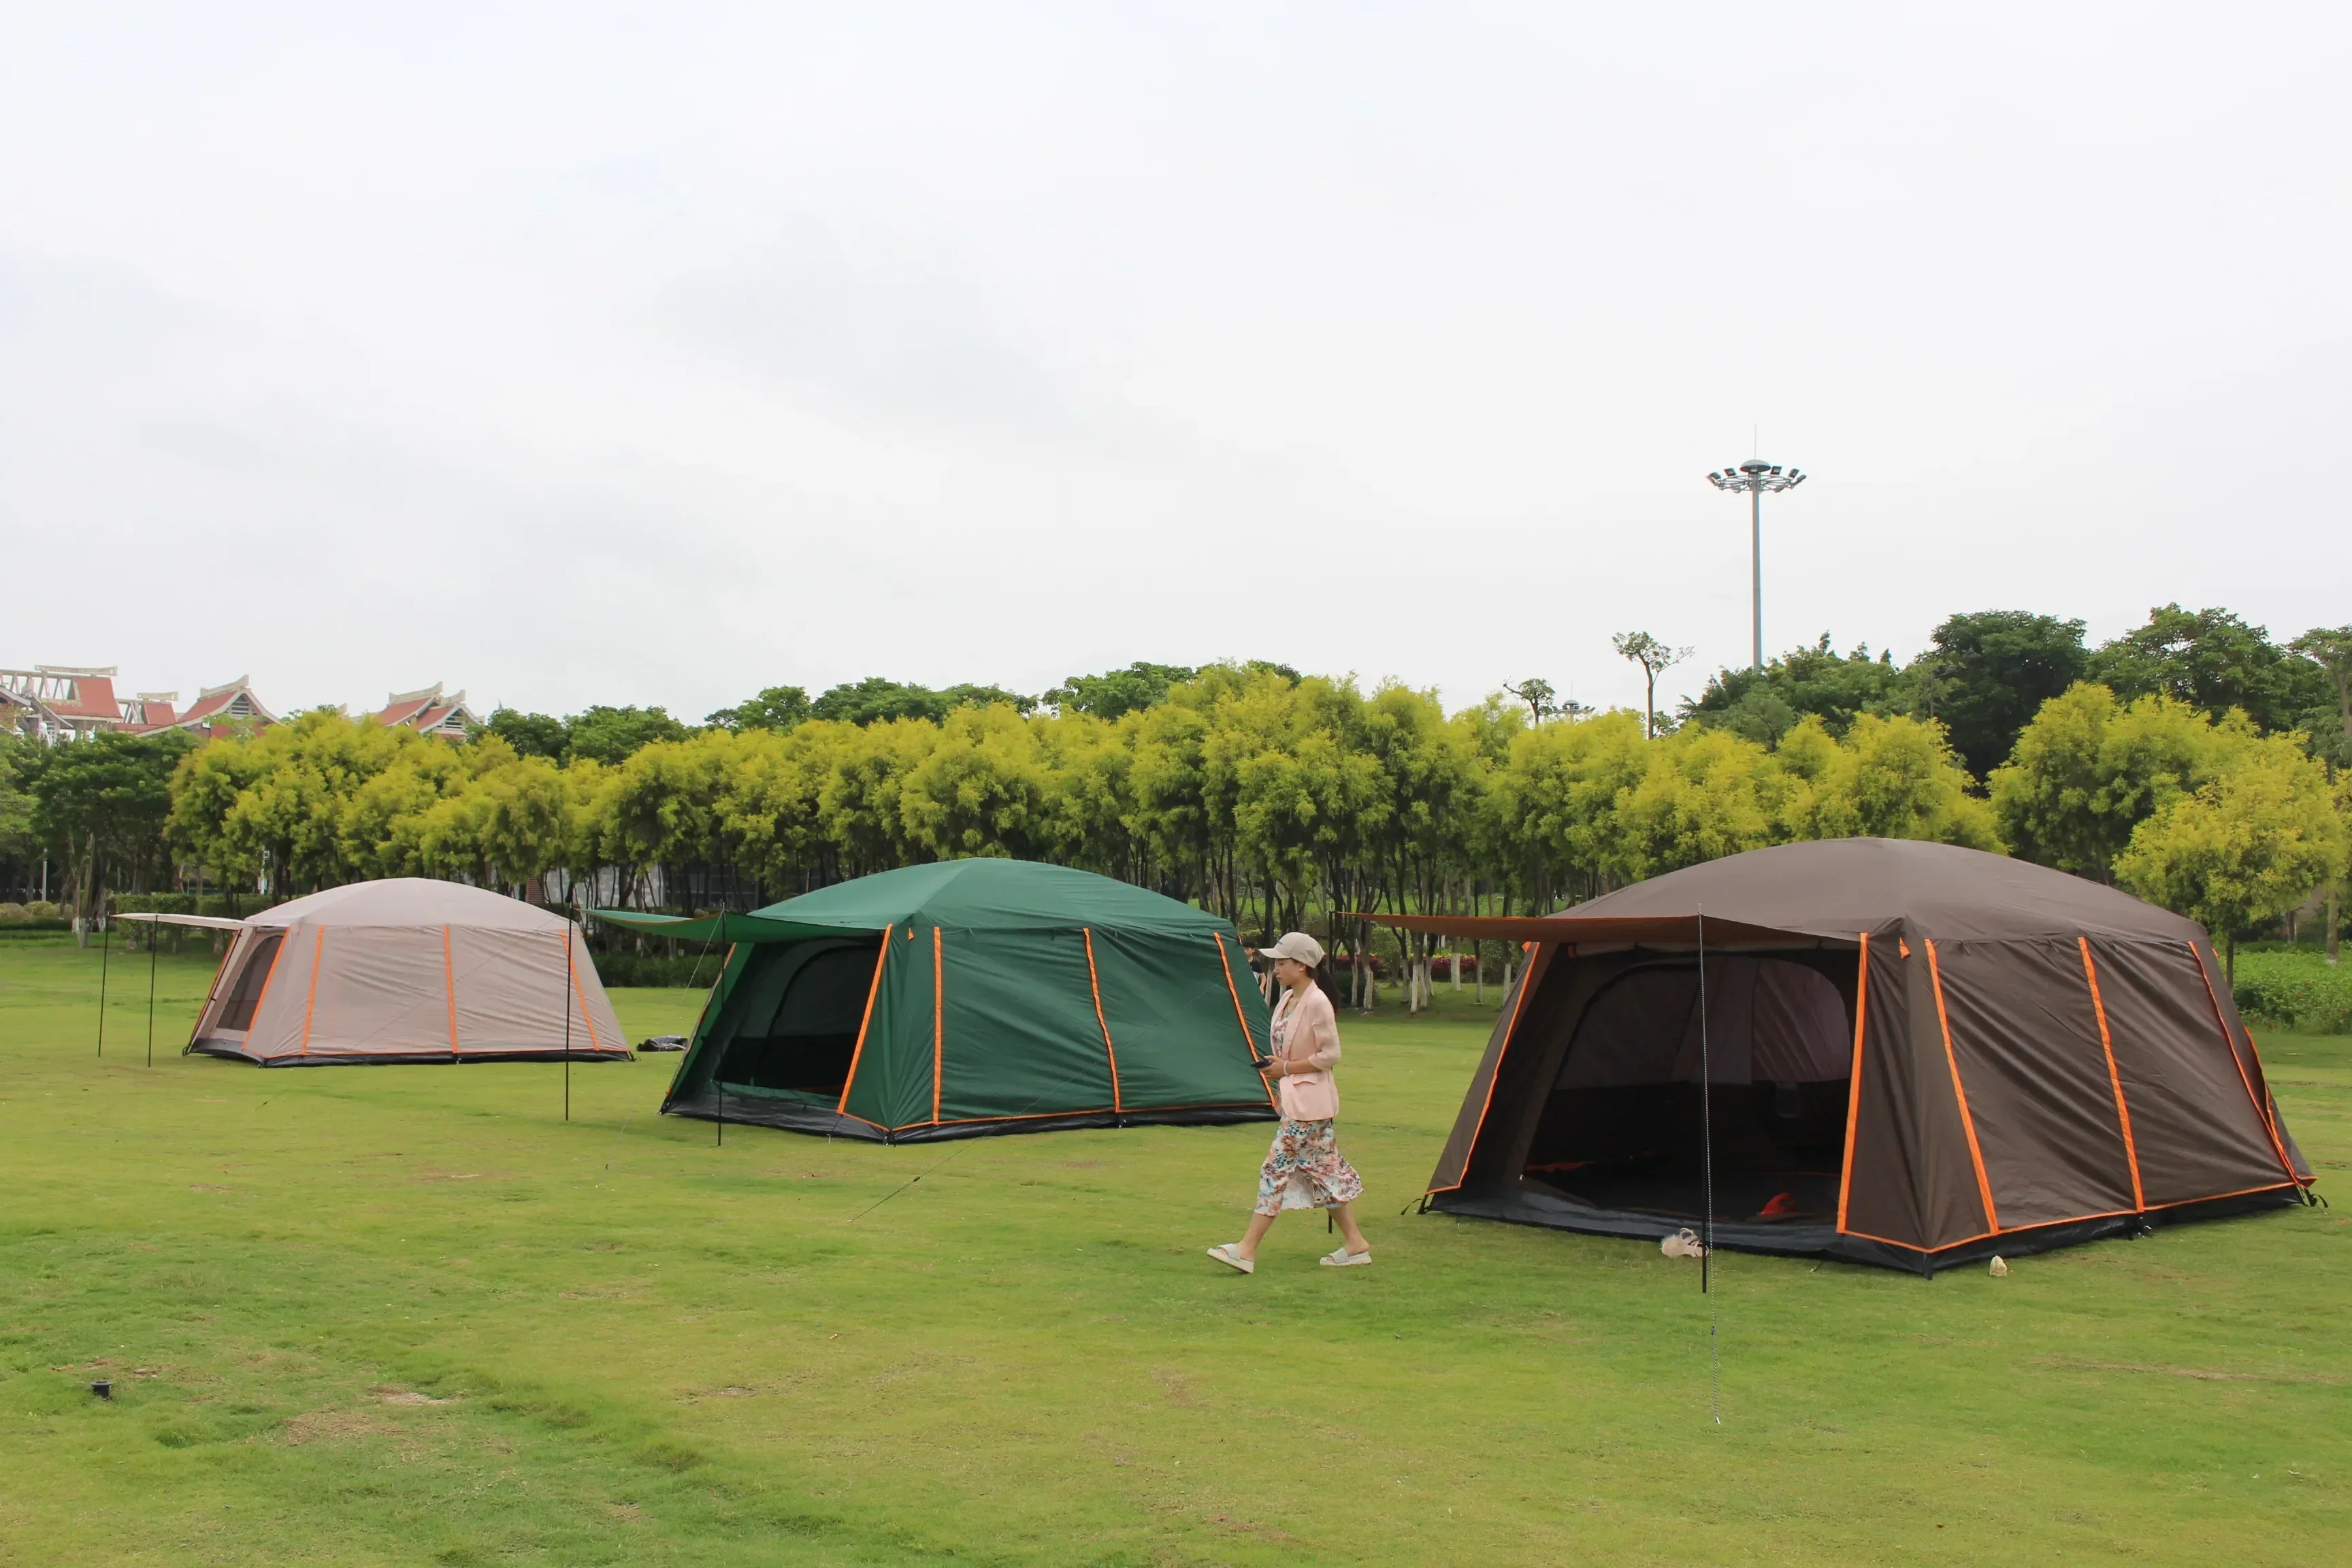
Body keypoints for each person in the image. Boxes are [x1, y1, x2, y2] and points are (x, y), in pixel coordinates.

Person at [1207, 931, 1370, 1273]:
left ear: (1302, 965)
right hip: (1299, 1102)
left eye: (1282, 962)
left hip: (1311, 1104)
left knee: (1274, 1168)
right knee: (1322, 1173)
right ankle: (1356, 1244)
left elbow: (1331, 1055)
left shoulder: (1317, 1001)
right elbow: (1288, 1048)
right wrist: (1278, 1072)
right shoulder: (1285, 999)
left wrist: (1287, 1069)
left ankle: (1246, 1250)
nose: (1276, 968)